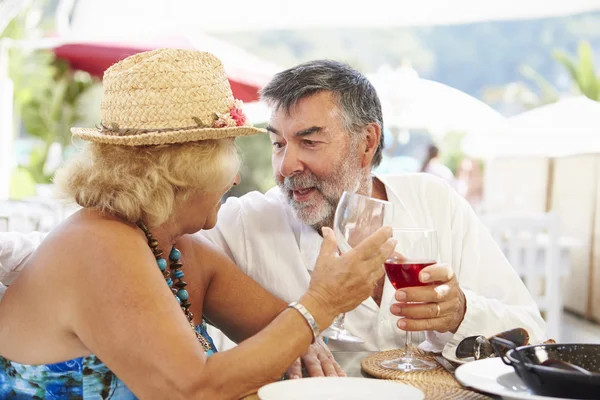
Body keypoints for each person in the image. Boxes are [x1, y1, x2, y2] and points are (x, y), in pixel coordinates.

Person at [1, 60, 546, 361]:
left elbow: (535, 338)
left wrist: (459, 314)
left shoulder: (435, 203)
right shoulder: (242, 222)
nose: (285, 167)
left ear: (366, 141)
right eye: (277, 144)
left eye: (309, 141)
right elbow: (102, 248)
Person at [0, 49, 396, 399]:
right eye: (227, 153)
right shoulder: (97, 245)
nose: (235, 178)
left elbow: (292, 344)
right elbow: (193, 390)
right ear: (184, 171)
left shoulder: (175, 249)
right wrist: (323, 302)